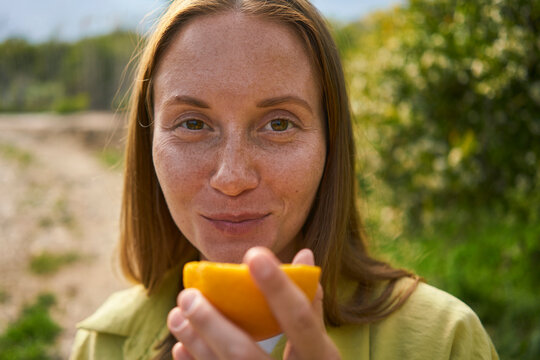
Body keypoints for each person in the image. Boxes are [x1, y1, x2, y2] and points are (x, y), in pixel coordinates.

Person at [70, 0, 499, 359]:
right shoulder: (101, 344)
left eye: (278, 124)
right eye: (193, 123)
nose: (232, 178)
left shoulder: (445, 341)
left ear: (330, 146)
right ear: (148, 145)